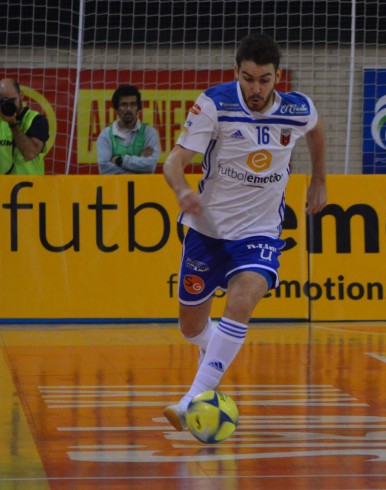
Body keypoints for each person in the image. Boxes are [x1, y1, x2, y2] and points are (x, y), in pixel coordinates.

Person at [161, 32, 327, 430]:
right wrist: (183, 190)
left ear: (277, 76)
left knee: (243, 299)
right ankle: (212, 345)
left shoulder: (296, 108)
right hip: (207, 230)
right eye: (249, 78)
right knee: (190, 327)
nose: (256, 88)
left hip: (261, 231)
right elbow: (173, 162)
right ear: (236, 72)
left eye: (264, 80)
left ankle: (193, 398)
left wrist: (320, 179)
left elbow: (317, 132)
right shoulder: (214, 103)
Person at [0, 78, 49, 175]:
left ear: (21, 95)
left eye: (12, 100)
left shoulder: (36, 120)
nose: (9, 105)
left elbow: (30, 154)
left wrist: (13, 125)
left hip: (29, 186)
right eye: (4, 101)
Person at [96, 85, 160, 174]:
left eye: (133, 104)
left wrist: (120, 160)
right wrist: (139, 163)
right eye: (124, 105)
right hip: (114, 187)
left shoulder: (149, 133)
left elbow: (150, 167)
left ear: (138, 108)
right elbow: (104, 169)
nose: (129, 109)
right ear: (116, 109)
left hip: (142, 187)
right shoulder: (106, 135)